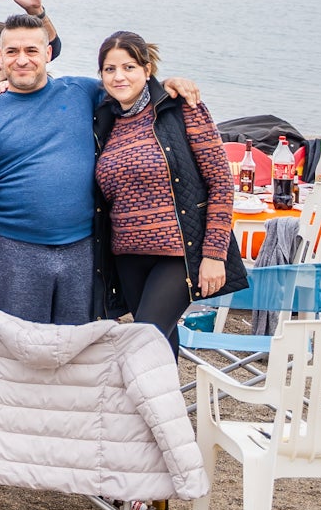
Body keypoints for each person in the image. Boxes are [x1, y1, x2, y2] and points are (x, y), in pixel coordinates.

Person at [0, 16, 201, 327]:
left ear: (48, 53)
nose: (22, 59)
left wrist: (169, 84)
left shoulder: (81, 92)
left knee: (78, 347)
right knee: (21, 345)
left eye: (31, 50)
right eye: (12, 51)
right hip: (16, 252)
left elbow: (130, 87)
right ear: (2, 55)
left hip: (84, 250)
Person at [94, 31, 244, 354]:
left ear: (147, 70)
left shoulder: (181, 108)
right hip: (127, 256)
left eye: (129, 67)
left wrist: (214, 255)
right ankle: (167, 404)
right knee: (162, 342)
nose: (119, 76)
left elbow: (220, 181)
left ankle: (139, 405)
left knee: (142, 340)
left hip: (178, 255)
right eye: (110, 69)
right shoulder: (104, 119)